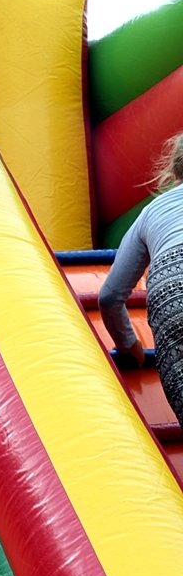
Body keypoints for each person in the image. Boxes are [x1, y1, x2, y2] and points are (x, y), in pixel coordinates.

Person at [99, 132, 183, 421]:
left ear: (172, 172)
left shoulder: (152, 211)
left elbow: (110, 296)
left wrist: (128, 344)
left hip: (172, 294)